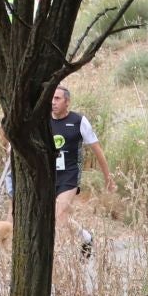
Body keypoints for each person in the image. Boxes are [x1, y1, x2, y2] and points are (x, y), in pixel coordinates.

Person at [48, 86, 116, 225]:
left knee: (59, 214)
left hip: (70, 175)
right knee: (56, 217)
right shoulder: (43, 120)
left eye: (57, 98)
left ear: (67, 102)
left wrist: (108, 178)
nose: (53, 102)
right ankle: (86, 237)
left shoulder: (78, 121)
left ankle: (59, 247)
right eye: (51, 98)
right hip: (48, 175)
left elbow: (97, 150)